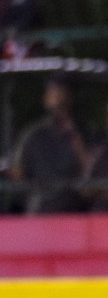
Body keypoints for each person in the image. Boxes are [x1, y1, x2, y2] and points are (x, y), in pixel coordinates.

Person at [11, 77, 91, 214]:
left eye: (63, 101)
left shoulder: (82, 133)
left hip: (72, 211)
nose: (60, 107)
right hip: (40, 210)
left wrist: (75, 138)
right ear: (46, 100)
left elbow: (91, 171)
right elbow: (17, 172)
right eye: (55, 98)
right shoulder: (32, 135)